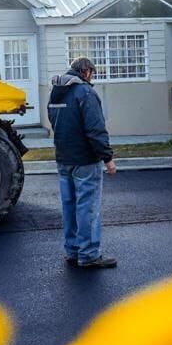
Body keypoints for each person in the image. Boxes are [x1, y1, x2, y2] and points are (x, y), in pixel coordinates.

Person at [47, 58, 118, 269]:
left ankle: (73, 250)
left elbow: (53, 121)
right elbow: (95, 129)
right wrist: (108, 158)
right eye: (92, 73)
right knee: (87, 208)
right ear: (86, 71)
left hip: (63, 158)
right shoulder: (85, 93)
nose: (92, 78)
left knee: (69, 206)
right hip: (85, 160)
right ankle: (88, 255)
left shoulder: (55, 92)